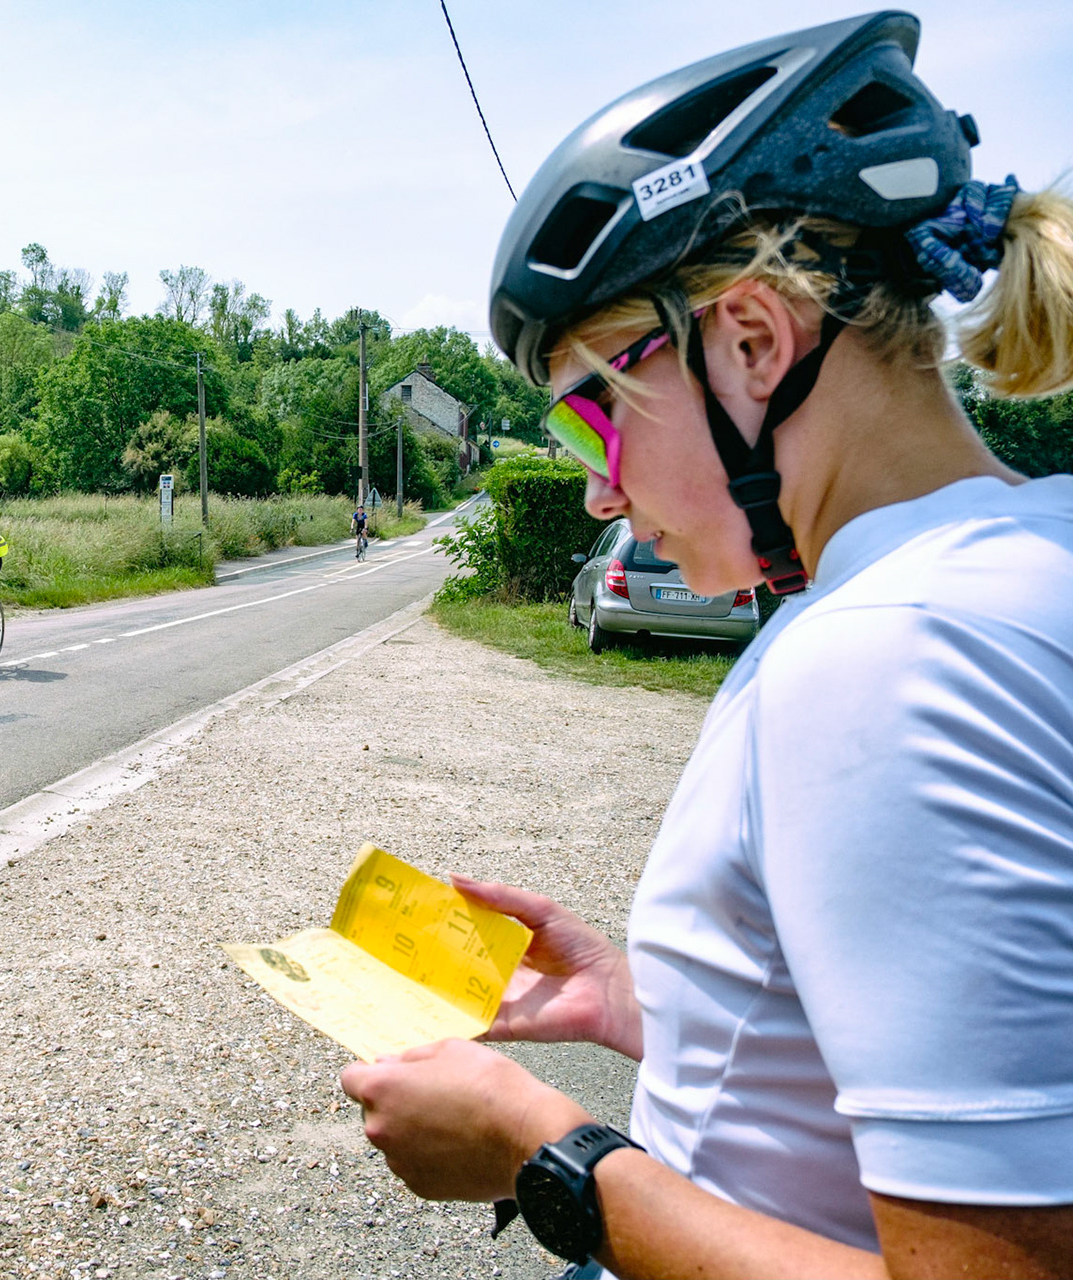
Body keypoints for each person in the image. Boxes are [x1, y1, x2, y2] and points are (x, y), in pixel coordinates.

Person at [340, 13, 1073, 1277]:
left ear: (750, 341)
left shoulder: (896, 653)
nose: (599, 492)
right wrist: (658, 1008)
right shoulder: (1008, 559)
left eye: (593, 417)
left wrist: (548, 1157)